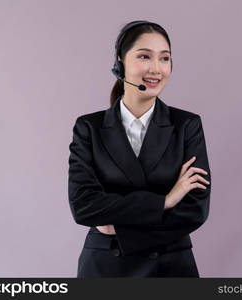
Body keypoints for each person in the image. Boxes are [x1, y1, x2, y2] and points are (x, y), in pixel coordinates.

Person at [68, 20, 211, 277]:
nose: (157, 69)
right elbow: (84, 206)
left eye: (165, 58)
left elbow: (194, 209)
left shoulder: (187, 125)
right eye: (145, 56)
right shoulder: (88, 128)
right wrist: (164, 201)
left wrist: (118, 227)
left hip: (170, 268)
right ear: (119, 63)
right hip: (106, 269)